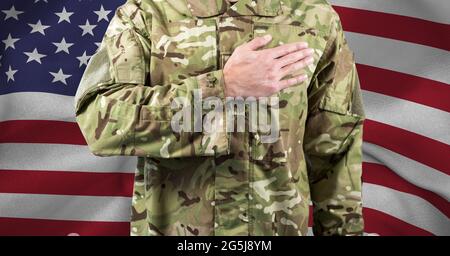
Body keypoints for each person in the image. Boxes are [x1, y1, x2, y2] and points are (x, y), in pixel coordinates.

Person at [74, 0, 365, 236]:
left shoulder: (316, 18)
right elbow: (98, 121)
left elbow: (335, 148)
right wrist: (221, 88)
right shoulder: (147, 13)